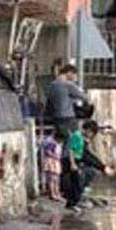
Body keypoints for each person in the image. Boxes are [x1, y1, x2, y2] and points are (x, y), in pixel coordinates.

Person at [45, 61, 91, 209]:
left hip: (56, 119)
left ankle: (60, 187)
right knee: (73, 147)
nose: (75, 78)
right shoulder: (67, 85)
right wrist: (83, 97)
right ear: (69, 73)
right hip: (68, 118)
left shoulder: (52, 85)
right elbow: (84, 97)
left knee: (60, 150)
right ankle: (71, 186)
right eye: (74, 75)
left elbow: (51, 103)